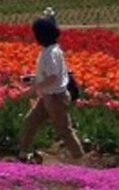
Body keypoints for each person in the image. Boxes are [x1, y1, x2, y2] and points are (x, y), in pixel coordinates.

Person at [18, 9, 84, 163]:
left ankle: (80, 160)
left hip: (56, 98)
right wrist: (34, 79)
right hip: (48, 96)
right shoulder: (50, 50)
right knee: (30, 121)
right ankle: (23, 153)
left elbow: (54, 77)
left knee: (64, 130)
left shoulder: (51, 53)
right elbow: (53, 75)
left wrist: (34, 88)